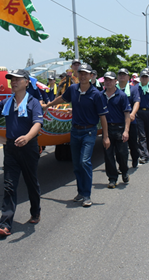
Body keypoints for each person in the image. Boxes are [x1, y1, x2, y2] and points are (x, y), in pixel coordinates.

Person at [0, 69, 43, 236]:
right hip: (11, 148)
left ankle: (35, 212)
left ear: (27, 82)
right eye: (12, 79)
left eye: (18, 79)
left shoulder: (33, 102)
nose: (14, 82)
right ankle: (5, 224)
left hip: (28, 147)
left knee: (31, 181)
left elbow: (37, 124)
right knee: (9, 186)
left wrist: (27, 137)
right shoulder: (7, 102)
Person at [45, 63, 109, 207]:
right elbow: (62, 98)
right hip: (75, 131)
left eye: (86, 73)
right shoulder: (73, 89)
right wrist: (48, 106)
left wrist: (105, 136)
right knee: (76, 165)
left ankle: (87, 195)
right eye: (81, 73)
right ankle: (81, 192)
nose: (83, 75)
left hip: (89, 132)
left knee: (84, 161)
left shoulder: (97, 94)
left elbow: (103, 117)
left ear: (91, 76)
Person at [102, 71, 131, 188]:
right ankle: (112, 178)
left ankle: (124, 171)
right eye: (106, 80)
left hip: (119, 128)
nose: (108, 82)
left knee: (122, 154)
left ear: (115, 82)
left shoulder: (122, 96)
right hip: (106, 129)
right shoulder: (100, 95)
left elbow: (127, 114)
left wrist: (126, 130)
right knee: (108, 155)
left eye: (110, 80)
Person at [117, 68, 140, 168]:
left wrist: (133, 113)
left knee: (133, 144)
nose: (122, 76)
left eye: (124, 74)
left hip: (131, 121)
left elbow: (136, 102)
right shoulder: (113, 88)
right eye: (120, 74)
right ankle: (122, 166)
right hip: (117, 121)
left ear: (128, 77)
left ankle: (135, 159)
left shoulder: (133, 89)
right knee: (119, 147)